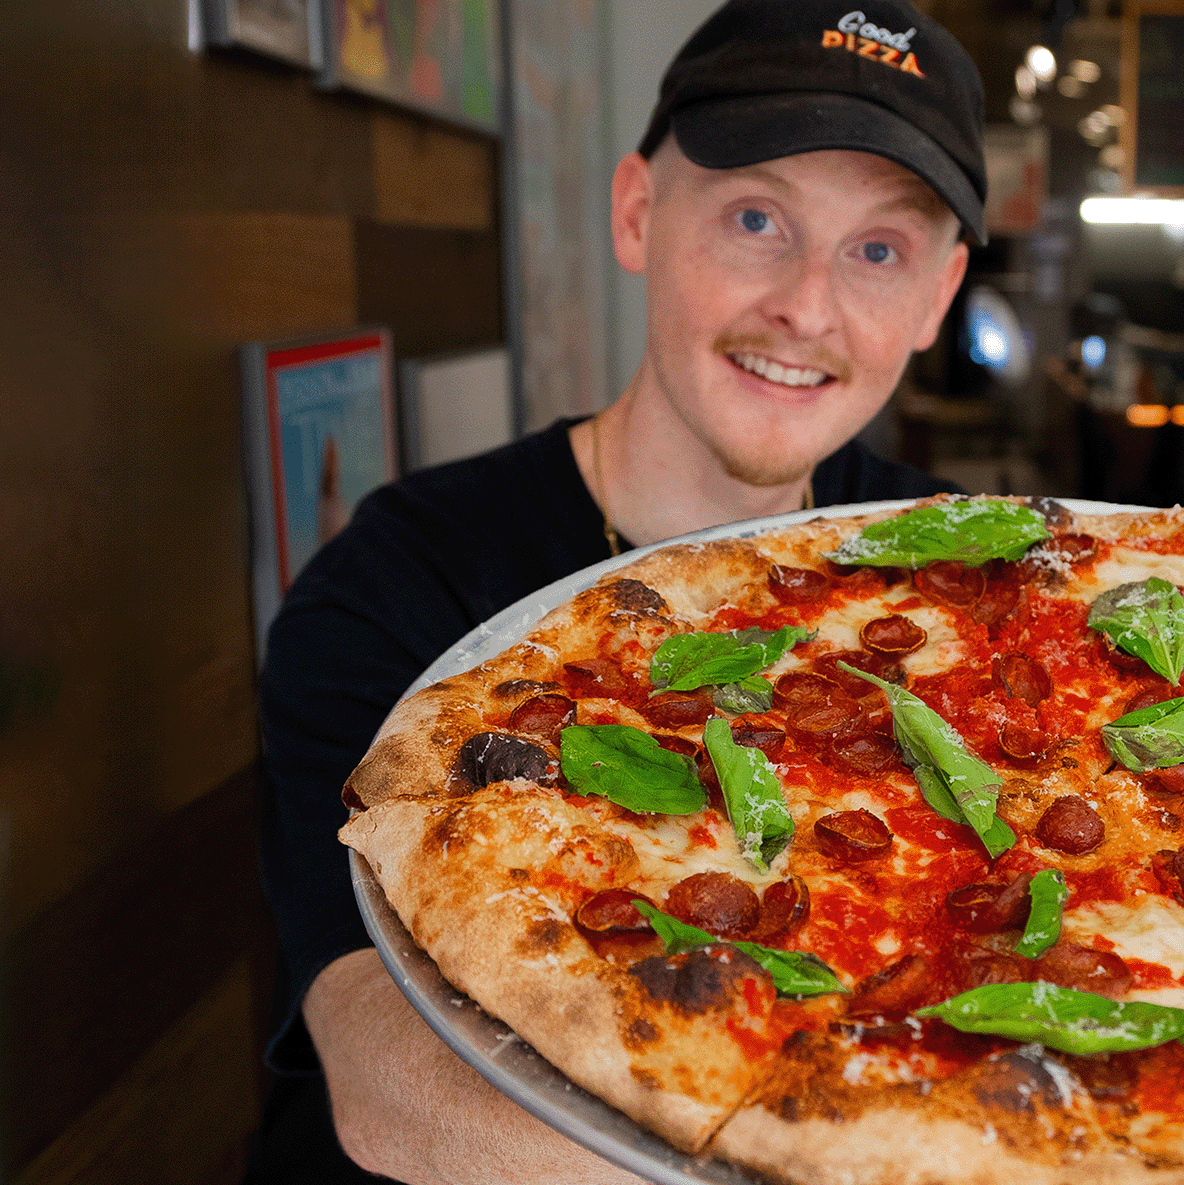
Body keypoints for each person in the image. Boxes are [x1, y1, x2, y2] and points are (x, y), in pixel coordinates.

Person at [246, 3, 985, 1180]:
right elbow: (386, 1090)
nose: (807, 306)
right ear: (637, 213)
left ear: (939, 295)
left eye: (879, 251)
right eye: (757, 219)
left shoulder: (958, 564)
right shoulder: (401, 579)